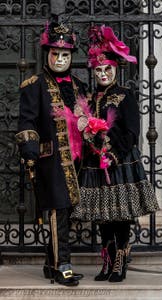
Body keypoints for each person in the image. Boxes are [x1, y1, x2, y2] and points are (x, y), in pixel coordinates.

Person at [71, 25, 159, 282]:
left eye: (107, 69)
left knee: (120, 214)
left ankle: (120, 262)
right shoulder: (89, 97)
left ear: (115, 69)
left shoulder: (125, 95)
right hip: (95, 163)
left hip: (119, 162)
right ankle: (107, 262)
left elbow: (132, 131)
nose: (103, 74)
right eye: (98, 70)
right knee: (102, 216)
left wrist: (114, 154)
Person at [15, 14, 88, 286]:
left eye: (65, 55)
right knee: (58, 210)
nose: (60, 60)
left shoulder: (79, 86)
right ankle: (63, 266)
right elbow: (26, 121)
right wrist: (30, 150)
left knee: (66, 212)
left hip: (78, 160)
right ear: (47, 53)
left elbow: (86, 119)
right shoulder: (34, 86)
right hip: (51, 158)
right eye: (55, 54)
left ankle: (49, 262)